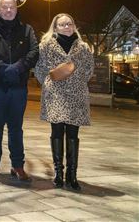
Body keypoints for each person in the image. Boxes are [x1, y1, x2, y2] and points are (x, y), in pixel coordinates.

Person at [0, 0, 38, 181]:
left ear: (16, 9)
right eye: (5, 7)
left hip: (18, 87)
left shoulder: (27, 30)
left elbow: (34, 52)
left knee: (16, 128)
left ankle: (17, 165)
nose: (8, 10)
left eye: (11, 7)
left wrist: (18, 68)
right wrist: (4, 68)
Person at [35, 13, 94, 191]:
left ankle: (72, 175)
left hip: (76, 95)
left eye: (69, 24)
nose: (67, 27)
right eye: (62, 24)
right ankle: (59, 174)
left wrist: (76, 80)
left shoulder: (83, 47)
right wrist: (49, 81)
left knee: (73, 134)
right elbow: (39, 68)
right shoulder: (45, 46)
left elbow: (89, 69)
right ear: (55, 27)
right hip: (55, 94)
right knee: (57, 132)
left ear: (74, 26)